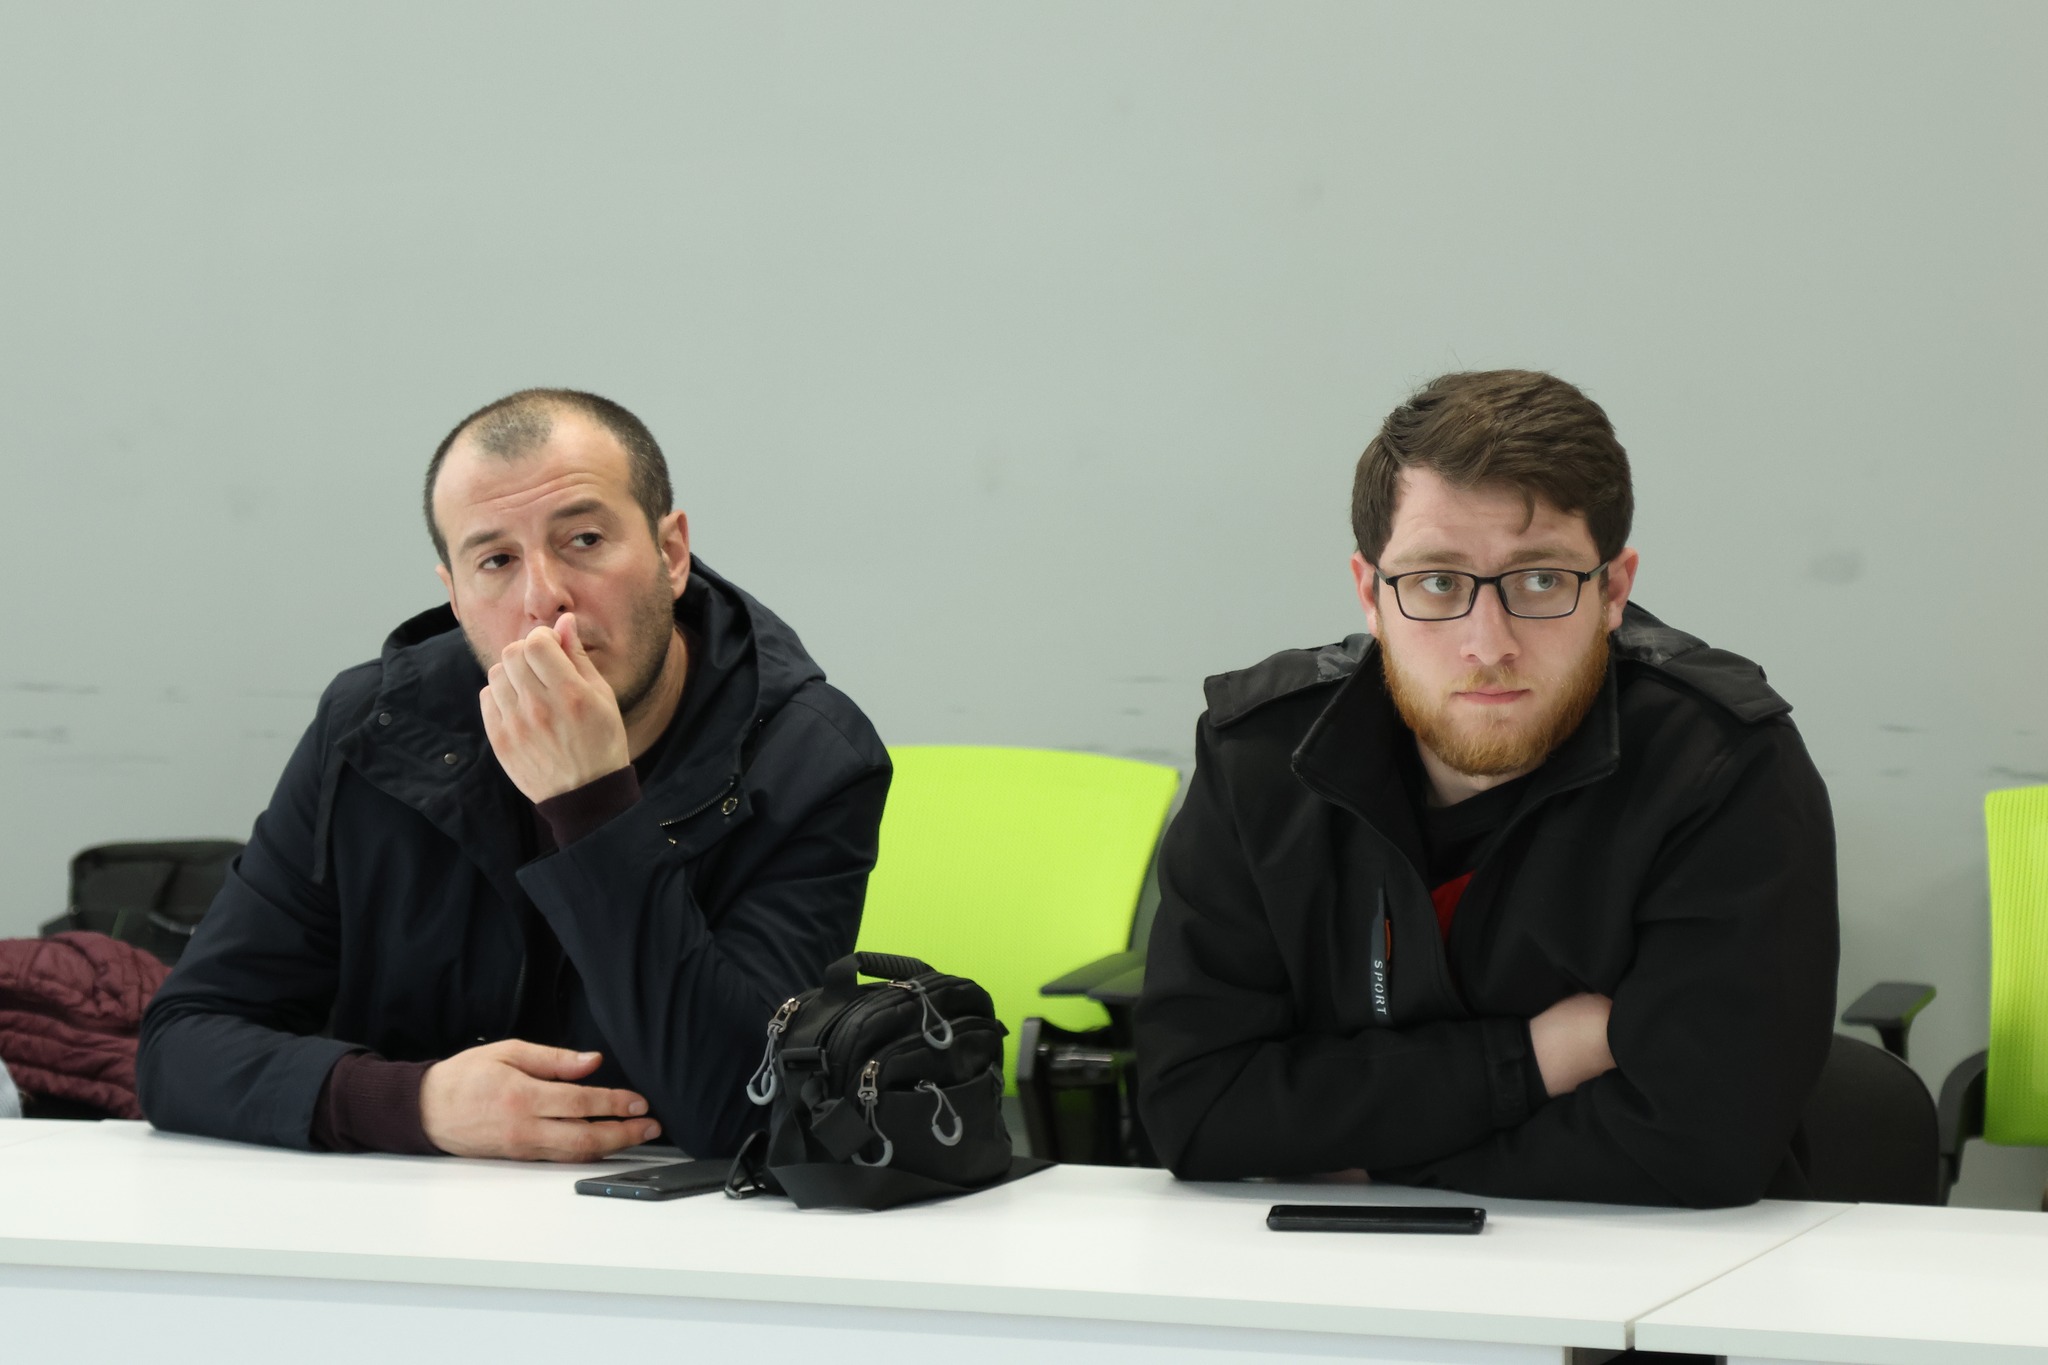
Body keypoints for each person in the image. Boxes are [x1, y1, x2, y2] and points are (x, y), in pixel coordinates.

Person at [1135, 370, 1838, 1207]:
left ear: (1613, 591)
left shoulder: (1720, 765)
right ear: (1370, 593)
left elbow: (1700, 1145)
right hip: (1325, 1271)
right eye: (1437, 581)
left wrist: (1369, 1166)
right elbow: (1198, 1110)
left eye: (1540, 580)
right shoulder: (1260, 759)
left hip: (1654, 1269)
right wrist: (1538, 1057)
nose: (1488, 643)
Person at [139, 389, 890, 1162]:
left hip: (673, 1219)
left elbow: (746, 1108)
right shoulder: (373, 728)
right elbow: (181, 1045)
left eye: (585, 539)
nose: (543, 599)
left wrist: (593, 807)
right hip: (401, 1213)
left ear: (672, 554)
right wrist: (414, 1102)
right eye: (496, 561)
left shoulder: (810, 757)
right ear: (456, 595)